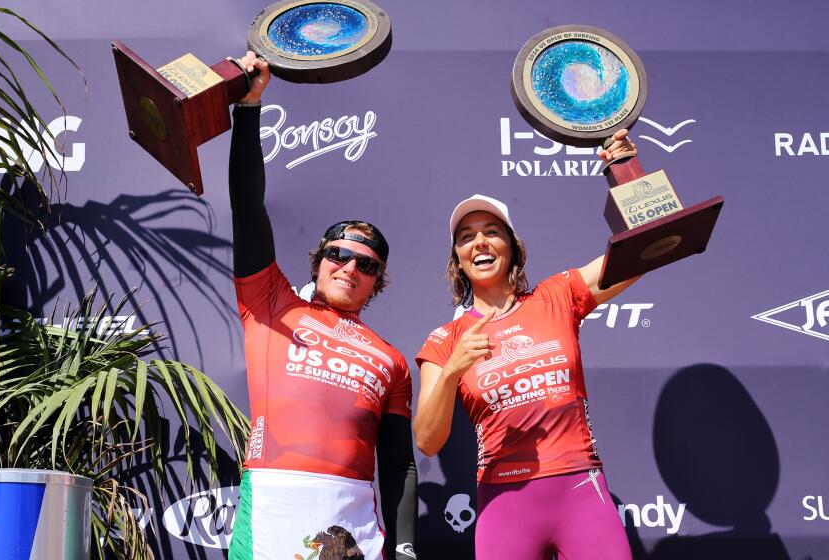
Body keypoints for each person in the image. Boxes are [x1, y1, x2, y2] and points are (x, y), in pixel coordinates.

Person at [414, 131, 640, 560]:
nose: (479, 242)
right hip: (504, 503)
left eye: (491, 231)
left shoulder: (556, 295)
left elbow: (644, 251)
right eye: (466, 237)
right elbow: (427, 440)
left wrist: (625, 172)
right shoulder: (444, 340)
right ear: (458, 259)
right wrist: (452, 373)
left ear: (512, 248)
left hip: (579, 487)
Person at [227, 52, 417, 560]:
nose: (350, 268)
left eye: (367, 265)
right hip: (271, 508)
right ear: (318, 261)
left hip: (355, 525)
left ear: (377, 284)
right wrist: (248, 108)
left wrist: (405, 550)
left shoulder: (392, 360)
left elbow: (398, 464)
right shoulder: (271, 304)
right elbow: (248, 207)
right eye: (339, 254)